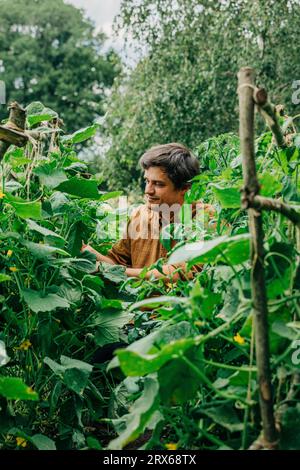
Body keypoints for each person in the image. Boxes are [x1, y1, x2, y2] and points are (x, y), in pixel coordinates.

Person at [81, 142, 208, 282]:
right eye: (147, 181)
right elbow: (118, 264)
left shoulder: (205, 218)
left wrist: (109, 270)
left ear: (185, 188)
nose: (148, 190)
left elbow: (183, 272)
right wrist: (88, 251)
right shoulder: (139, 215)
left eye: (158, 184)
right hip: (140, 304)